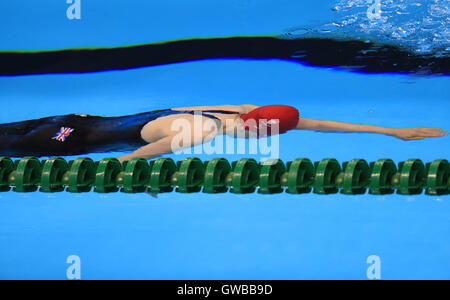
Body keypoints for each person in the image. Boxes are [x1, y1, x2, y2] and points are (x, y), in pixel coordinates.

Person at [0, 104, 447, 162]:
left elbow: (318, 122)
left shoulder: (235, 109)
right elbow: (121, 162)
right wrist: (134, 174)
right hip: (61, 141)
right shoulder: (200, 131)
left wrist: (393, 131)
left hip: (75, 120)